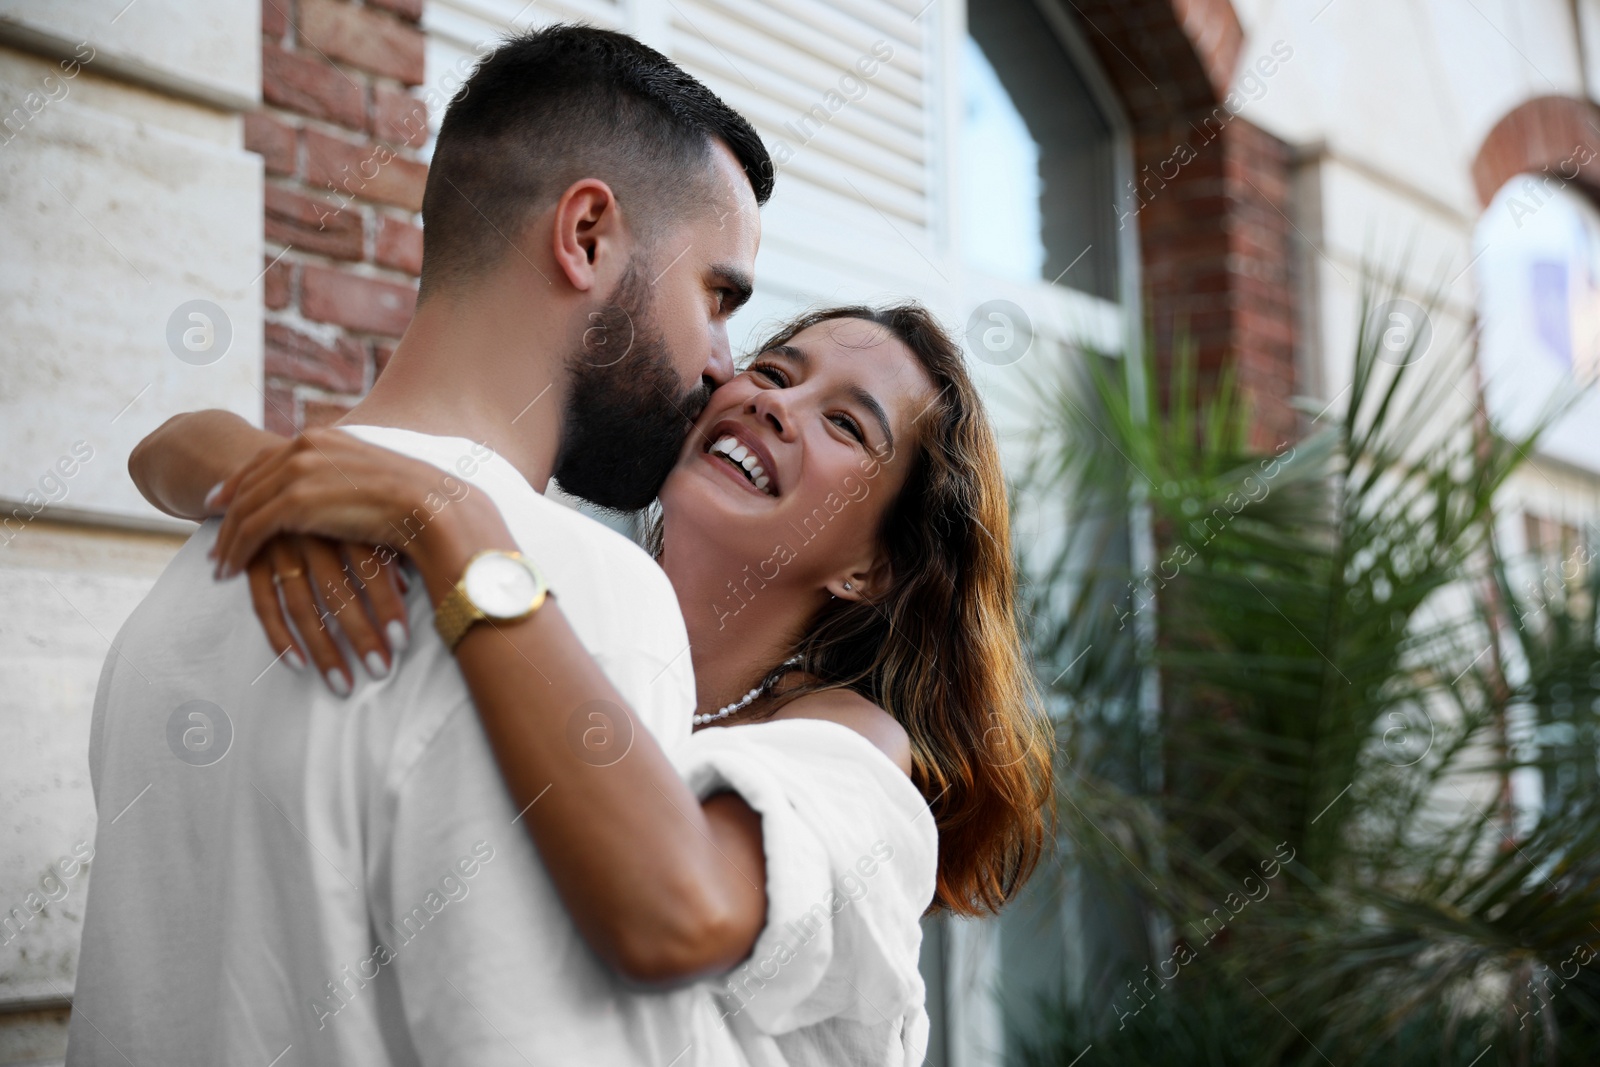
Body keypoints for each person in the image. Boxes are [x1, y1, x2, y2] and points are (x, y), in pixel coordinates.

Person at [69, 25, 773, 1066]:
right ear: (585, 235)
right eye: (716, 294)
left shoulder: (187, 581)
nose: (726, 367)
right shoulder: (578, 592)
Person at [128, 304, 1055, 1065]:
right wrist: (270, 483)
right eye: (773, 372)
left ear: (871, 568)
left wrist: (452, 533)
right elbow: (168, 448)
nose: (776, 404)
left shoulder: (855, 754)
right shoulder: (564, 593)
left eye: (846, 423)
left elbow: (677, 913)